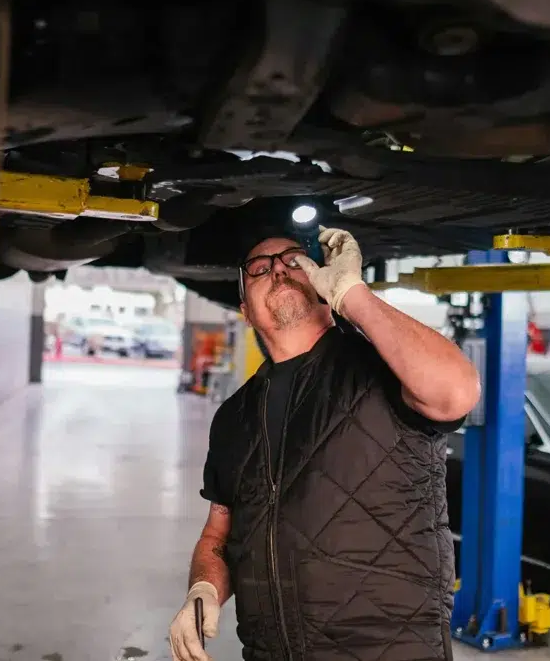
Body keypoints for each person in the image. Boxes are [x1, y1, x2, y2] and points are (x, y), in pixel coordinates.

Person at [169, 226, 482, 661]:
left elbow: (457, 392)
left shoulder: (381, 365)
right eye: (260, 269)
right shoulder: (234, 417)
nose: (278, 270)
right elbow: (218, 533)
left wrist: (355, 296)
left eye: (294, 262)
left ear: (322, 286)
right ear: (245, 308)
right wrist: (202, 589)